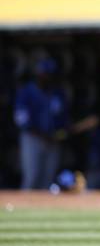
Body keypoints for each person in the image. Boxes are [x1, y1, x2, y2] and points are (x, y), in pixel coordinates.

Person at [14, 58, 69, 189]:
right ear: (39, 74)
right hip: (32, 139)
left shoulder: (58, 93)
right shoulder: (26, 92)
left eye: (51, 74)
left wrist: (61, 133)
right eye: (46, 74)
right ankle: (23, 207)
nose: (49, 77)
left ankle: (44, 209)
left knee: (48, 179)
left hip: (53, 140)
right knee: (32, 176)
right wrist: (43, 136)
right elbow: (21, 120)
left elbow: (63, 118)